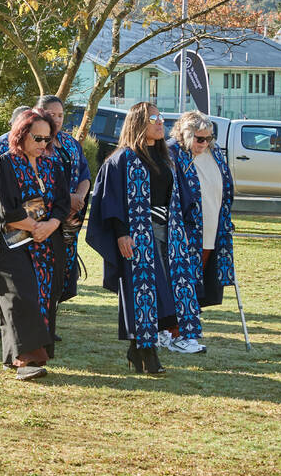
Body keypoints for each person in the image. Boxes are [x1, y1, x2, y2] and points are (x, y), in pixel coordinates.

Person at [86, 102, 203, 374]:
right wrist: (121, 233)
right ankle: (147, 353)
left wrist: (184, 230)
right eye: (153, 118)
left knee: (168, 293)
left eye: (160, 117)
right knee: (144, 294)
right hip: (137, 235)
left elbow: (182, 197)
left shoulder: (167, 158)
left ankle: (137, 350)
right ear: (138, 123)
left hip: (169, 236)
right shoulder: (121, 160)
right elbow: (110, 199)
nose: (160, 122)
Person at [0, 109, 69, 380]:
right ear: (21, 135)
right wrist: (34, 226)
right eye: (37, 138)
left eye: (47, 139)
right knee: (19, 298)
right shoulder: (4, 165)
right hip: (12, 245)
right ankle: (27, 360)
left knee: (42, 296)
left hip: (45, 245)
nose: (43, 144)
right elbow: (1, 208)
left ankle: (17, 356)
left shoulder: (52, 166)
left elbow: (62, 203)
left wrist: (51, 225)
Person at [166, 110, 233, 352]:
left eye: (209, 138)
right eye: (200, 139)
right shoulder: (173, 153)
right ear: (185, 135)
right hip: (184, 233)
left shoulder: (214, 153)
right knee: (181, 283)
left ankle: (175, 331)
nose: (204, 143)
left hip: (212, 231)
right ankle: (177, 334)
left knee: (196, 285)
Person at [34, 95, 91, 309]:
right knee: (44, 268)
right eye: (52, 114)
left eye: (60, 115)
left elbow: (84, 174)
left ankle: (53, 308)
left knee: (63, 267)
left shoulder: (70, 143)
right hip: (44, 218)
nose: (57, 119)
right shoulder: (36, 143)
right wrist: (68, 199)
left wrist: (80, 197)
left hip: (69, 219)